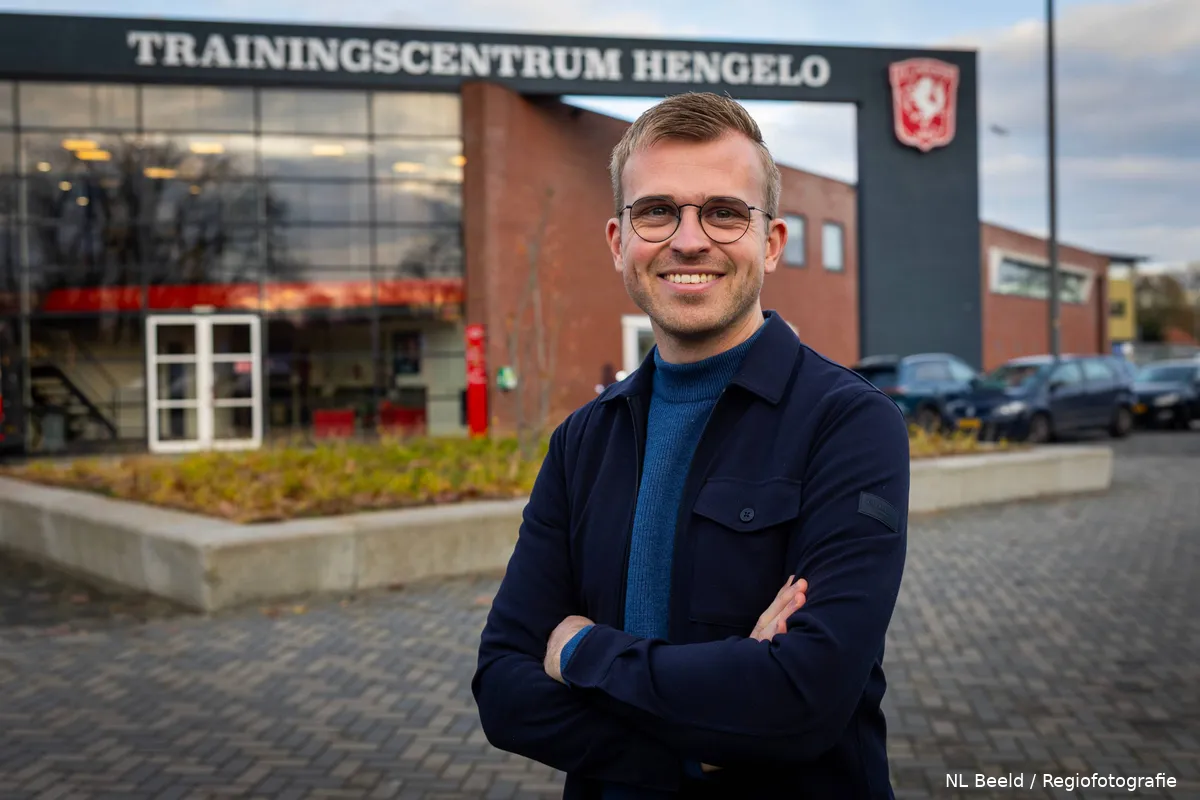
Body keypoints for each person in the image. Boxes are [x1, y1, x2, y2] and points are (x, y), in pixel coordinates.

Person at [472, 91, 909, 799]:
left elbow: (805, 700)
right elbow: (502, 687)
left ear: (770, 242)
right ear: (620, 241)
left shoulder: (849, 424)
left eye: (724, 212)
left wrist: (580, 649)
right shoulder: (582, 442)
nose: (688, 239)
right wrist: (684, 755)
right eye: (657, 211)